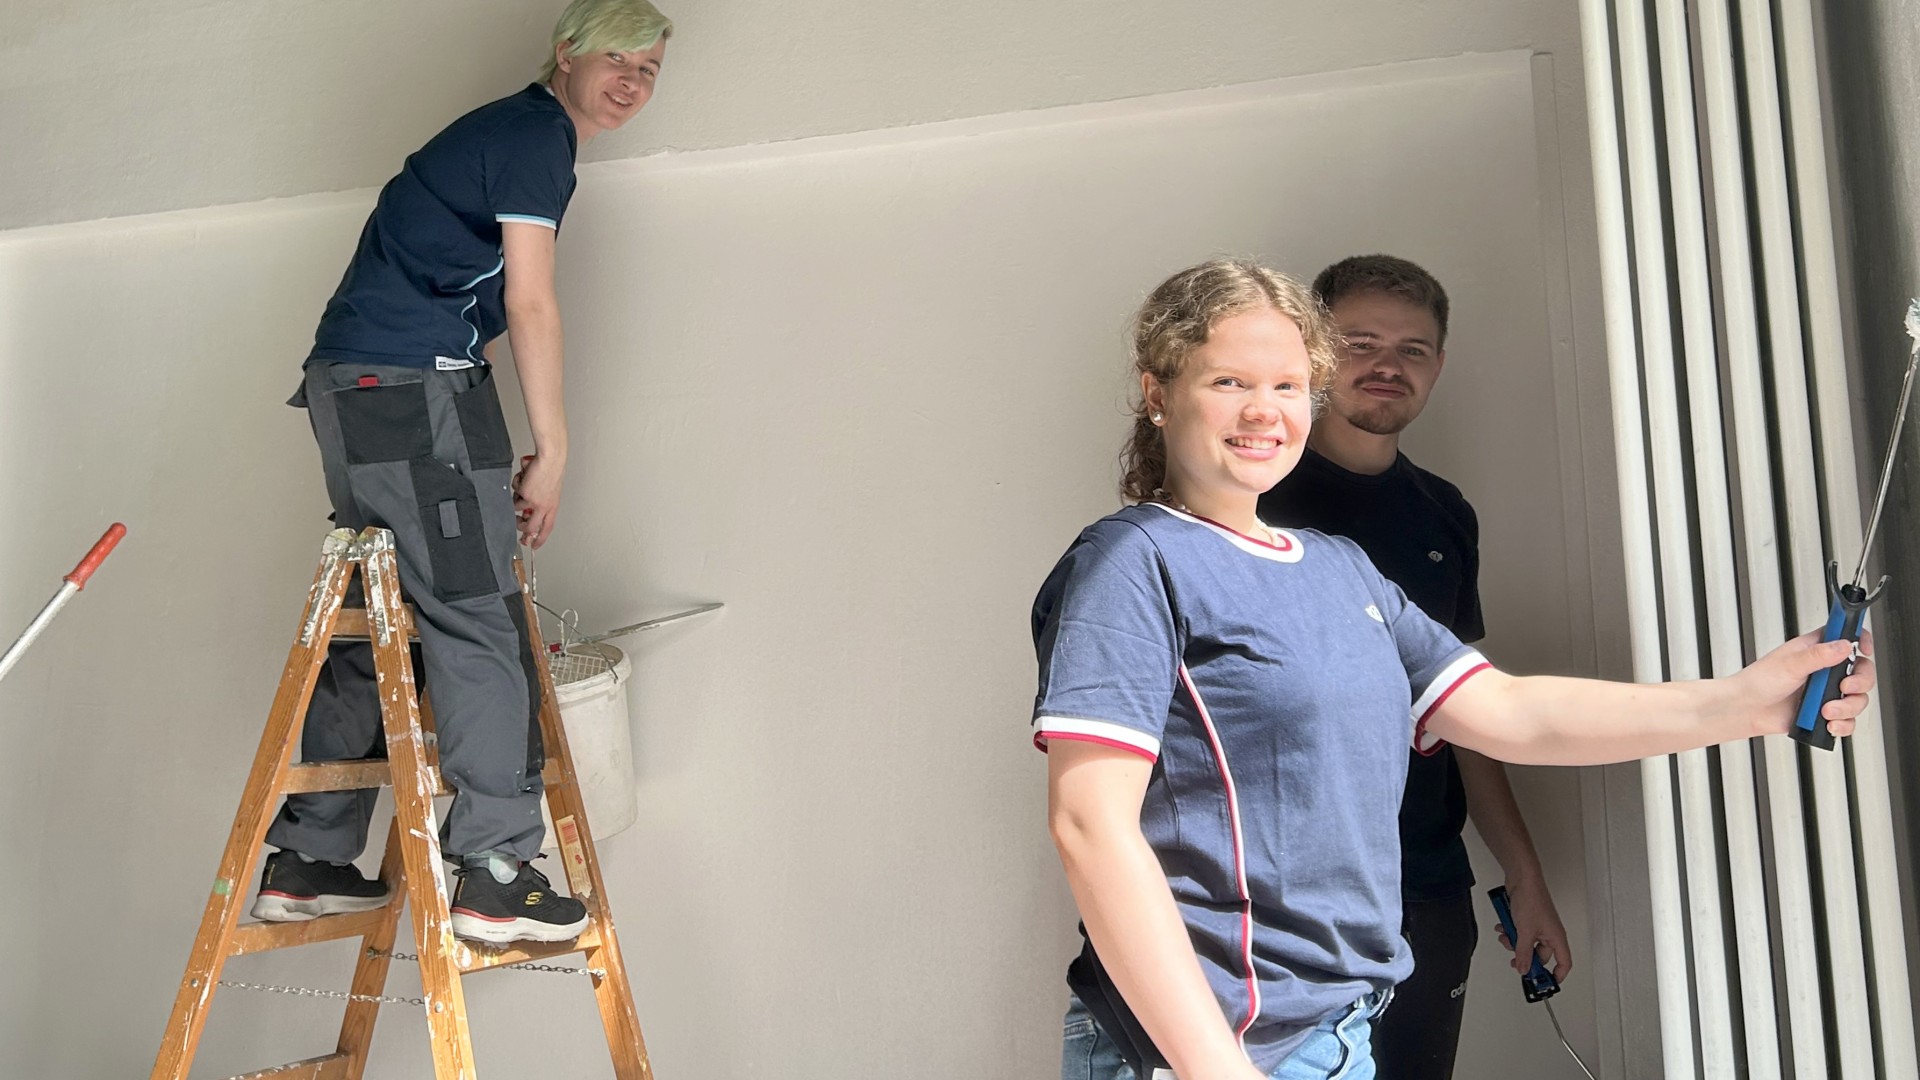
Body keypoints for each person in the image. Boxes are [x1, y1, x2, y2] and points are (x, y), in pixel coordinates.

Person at [1032, 258, 1871, 1080]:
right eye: (1229, 383)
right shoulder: (1132, 563)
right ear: (1157, 395)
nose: (1265, 411)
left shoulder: (1339, 569)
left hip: (1339, 1032)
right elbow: (1089, 827)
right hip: (1201, 1050)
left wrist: (1754, 700)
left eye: (1288, 386)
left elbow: (1511, 713)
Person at [249, 0, 673, 945]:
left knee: (384, 619)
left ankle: (310, 856)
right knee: (475, 616)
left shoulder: (513, 133)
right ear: (565, 55)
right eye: (617, 60)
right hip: (410, 387)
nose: (633, 82)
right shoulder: (533, 136)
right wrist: (554, 451)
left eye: (649, 69)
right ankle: (492, 871)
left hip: (361, 389)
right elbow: (531, 300)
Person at [1256, 255, 1564, 1079]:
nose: (1388, 366)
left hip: (1425, 888)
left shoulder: (1445, 514)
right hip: (1282, 907)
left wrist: (1523, 878)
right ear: (1313, 352)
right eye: (1359, 342)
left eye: (1414, 349)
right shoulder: (1248, 500)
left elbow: (1473, 712)